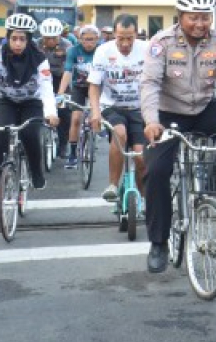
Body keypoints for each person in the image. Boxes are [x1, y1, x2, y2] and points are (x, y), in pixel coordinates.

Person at [140, 0, 216, 274]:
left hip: (202, 108)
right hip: (167, 115)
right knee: (157, 171)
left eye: (205, 17)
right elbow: (150, 84)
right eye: (194, 18)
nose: (200, 24)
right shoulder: (161, 42)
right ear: (180, 16)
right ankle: (158, 243)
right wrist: (151, 121)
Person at [0, 13, 59, 196]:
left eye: (22, 39)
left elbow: (46, 87)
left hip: (32, 100)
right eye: (14, 38)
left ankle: (37, 174)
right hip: (4, 98)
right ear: (7, 38)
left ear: (29, 40)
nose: (17, 43)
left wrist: (51, 113)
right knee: (2, 130)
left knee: (30, 133)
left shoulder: (39, 58)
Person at [88, 14, 149, 207]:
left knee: (140, 157)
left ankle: (143, 199)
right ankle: (113, 185)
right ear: (114, 33)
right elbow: (94, 85)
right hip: (112, 107)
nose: (125, 43)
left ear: (136, 34)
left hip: (139, 109)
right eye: (120, 38)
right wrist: (95, 112)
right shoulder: (103, 51)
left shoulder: (147, 50)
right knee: (119, 132)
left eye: (130, 38)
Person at [57, 24, 100, 169]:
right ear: (80, 39)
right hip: (79, 88)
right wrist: (61, 93)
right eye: (85, 39)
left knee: (95, 116)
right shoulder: (73, 51)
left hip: (97, 88)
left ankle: (92, 140)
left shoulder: (101, 51)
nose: (89, 43)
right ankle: (73, 154)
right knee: (75, 119)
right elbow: (68, 71)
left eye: (92, 39)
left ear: (97, 39)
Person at [37, 18, 73, 162]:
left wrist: (62, 91)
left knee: (64, 112)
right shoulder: (35, 45)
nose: (51, 41)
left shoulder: (67, 46)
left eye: (54, 38)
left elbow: (69, 68)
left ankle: (63, 145)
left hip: (60, 80)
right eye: (47, 38)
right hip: (40, 80)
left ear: (59, 36)